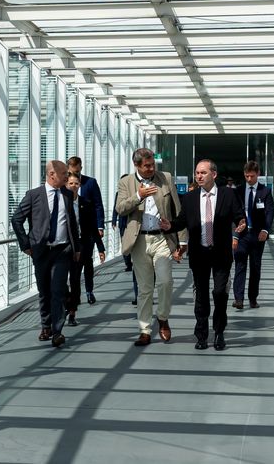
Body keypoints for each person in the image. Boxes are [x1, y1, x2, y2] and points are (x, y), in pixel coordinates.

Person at [163, 159, 244, 351]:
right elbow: (182, 220)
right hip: (199, 254)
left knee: (219, 293)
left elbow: (239, 215)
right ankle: (201, 335)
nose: (198, 176)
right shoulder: (190, 198)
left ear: (213, 175)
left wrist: (242, 223)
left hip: (221, 253)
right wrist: (170, 226)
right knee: (201, 296)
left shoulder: (228, 194)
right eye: (197, 173)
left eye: (203, 173)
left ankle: (219, 333)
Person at [115, 148, 186, 346]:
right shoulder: (126, 182)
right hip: (139, 241)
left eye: (153, 164)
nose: (151, 168)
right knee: (144, 289)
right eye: (147, 166)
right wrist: (138, 196)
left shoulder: (166, 178)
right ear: (136, 165)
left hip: (162, 239)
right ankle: (144, 329)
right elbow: (120, 209)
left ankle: (163, 318)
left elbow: (177, 209)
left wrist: (182, 240)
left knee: (165, 282)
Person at [12, 160, 81, 347]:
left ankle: (58, 331)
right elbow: (16, 219)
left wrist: (77, 248)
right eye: (64, 175)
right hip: (41, 251)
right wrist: (26, 244)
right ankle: (46, 326)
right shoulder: (34, 195)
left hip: (62, 250)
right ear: (52, 175)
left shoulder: (68, 194)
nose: (67, 177)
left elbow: (72, 223)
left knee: (58, 291)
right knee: (44, 291)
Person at [232, 160, 274, 310]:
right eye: (246, 176)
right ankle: (238, 299)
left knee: (255, 268)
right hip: (242, 235)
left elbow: (269, 213)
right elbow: (233, 214)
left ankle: (252, 298)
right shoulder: (237, 190)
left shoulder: (265, 192)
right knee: (240, 265)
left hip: (258, 236)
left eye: (251, 176)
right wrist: (234, 236)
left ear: (258, 174)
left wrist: (266, 230)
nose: (249, 179)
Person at [66, 173, 106, 325]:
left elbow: (93, 228)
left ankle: (72, 312)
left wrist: (101, 248)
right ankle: (67, 302)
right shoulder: (61, 202)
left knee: (75, 279)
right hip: (65, 246)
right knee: (62, 280)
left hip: (82, 245)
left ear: (80, 185)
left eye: (76, 183)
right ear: (66, 185)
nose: (73, 186)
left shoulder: (86, 203)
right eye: (70, 183)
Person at [112, 176, 139, 305]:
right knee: (126, 248)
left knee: (139, 265)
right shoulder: (119, 193)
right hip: (124, 226)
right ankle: (128, 263)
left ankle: (139, 294)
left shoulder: (137, 191)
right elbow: (116, 208)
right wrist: (113, 221)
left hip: (136, 227)